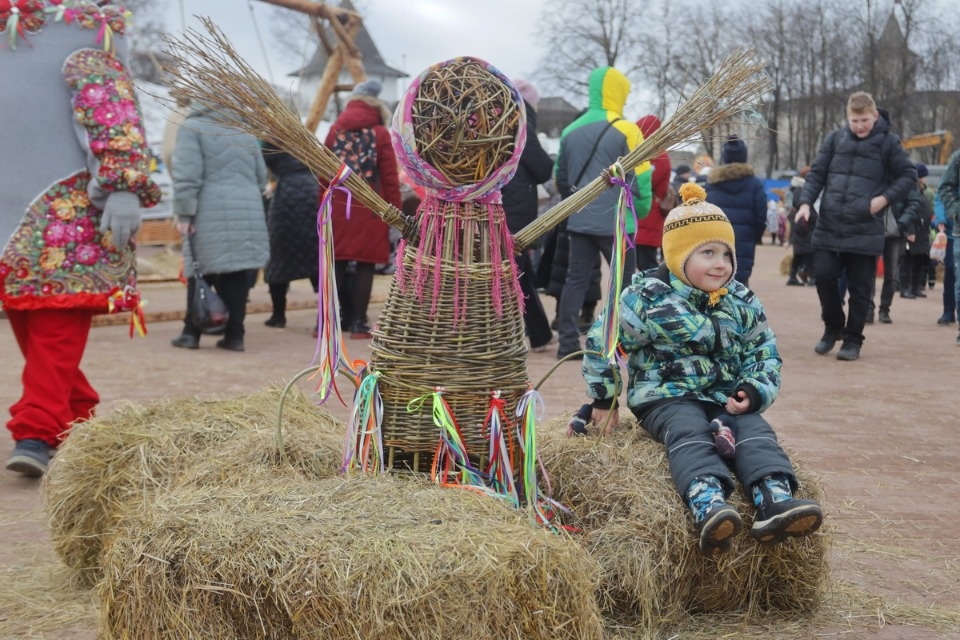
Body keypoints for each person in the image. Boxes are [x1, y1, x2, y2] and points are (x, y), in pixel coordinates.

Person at [573, 182, 823, 555]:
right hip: (666, 397)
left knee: (755, 430)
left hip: (723, 397)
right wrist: (603, 397)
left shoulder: (741, 299)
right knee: (689, 431)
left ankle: (774, 498)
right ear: (677, 257)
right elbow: (602, 342)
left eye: (725, 253)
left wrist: (754, 389)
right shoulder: (646, 299)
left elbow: (763, 351)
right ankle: (708, 501)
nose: (720, 263)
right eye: (706, 252)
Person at [1, 2, 161, 476]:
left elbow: (113, 114)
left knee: (54, 321)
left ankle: (37, 429)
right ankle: (76, 412)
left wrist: (123, 187)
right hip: (14, 215)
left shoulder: (82, 38)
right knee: (30, 316)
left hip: (66, 208)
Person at [795, 91, 916, 361]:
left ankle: (853, 340)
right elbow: (817, 174)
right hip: (829, 224)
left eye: (864, 120)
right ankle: (833, 327)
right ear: (847, 118)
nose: (859, 126)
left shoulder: (888, 143)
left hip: (865, 228)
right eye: (854, 120)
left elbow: (908, 176)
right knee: (824, 278)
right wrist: (805, 203)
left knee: (861, 290)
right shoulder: (834, 139)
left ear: (874, 116)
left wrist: (883, 199)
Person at [554, 66, 652, 359]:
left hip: (579, 221)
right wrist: (641, 211)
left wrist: (576, 204)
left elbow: (559, 176)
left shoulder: (570, 130)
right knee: (622, 283)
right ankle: (618, 341)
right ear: (619, 91)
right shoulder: (628, 129)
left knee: (575, 280)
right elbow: (642, 177)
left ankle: (567, 343)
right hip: (618, 222)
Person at [170, 101, 270, 352]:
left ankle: (191, 332)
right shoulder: (244, 131)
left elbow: (187, 175)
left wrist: (184, 213)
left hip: (207, 209)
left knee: (199, 269)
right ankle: (235, 335)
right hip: (247, 209)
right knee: (236, 272)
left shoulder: (192, 127)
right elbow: (261, 177)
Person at [324, 79, 402, 339]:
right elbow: (390, 177)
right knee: (365, 266)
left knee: (337, 261)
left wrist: (321, 206)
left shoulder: (335, 130)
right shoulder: (380, 133)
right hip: (369, 207)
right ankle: (358, 322)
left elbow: (322, 171)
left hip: (337, 204)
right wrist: (395, 213)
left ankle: (332, 321)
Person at [501, 79, 555, 352]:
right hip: (516, 211)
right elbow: (543, 168)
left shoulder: (497, 120)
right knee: (517, 272)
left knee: (521, 272)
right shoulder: (521, 123)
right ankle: (527, 335)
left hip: (503, 206)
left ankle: (540, 333)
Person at [261, 141, 320, 329]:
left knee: (278, 259)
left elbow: (261, 160)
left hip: (286, 199)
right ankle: (327, 314)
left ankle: (278, 316)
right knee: (316, 259)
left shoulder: (273, 142)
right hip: (312, 193)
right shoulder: (305, 139)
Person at [704, 135, 767, 287]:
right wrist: (754, 236)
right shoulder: (754, 184)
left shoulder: (712, 184)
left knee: (714, 282)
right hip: (744, 240)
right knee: (740, 285)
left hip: (716, 239)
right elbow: (761, 215)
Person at [634, 115, 672, 271]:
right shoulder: (648, 155)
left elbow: (645, 181)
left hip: (650, 214)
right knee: (641, 262)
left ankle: (654, 293)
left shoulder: (659, 156)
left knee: (647, 264)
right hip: (644, 214)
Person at [899, 164, 933, 303]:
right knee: (907, 261)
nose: (925, 179)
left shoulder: (921, 191)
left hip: (923, 232)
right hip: (913, 231)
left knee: (919, 261)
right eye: (923, 176)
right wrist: (910, 230)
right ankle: (904, 288)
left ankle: (915, 287)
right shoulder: (909, 190)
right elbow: (909, 212)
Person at [938, 149, 960, 345]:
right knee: (956, 277)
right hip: (957, 230)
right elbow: (943, 190)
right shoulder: (957, 158)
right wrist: (954, 212)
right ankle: (950, 313)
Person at [785, 167, 817, 286]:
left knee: (801, 254)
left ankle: (796, 276)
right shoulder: (801, 190)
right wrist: (814, 217)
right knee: (809, 254)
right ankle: (807, 275)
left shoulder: (799, 189)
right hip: (803, 227)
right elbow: (801, 205)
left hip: (801, 227)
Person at [933, 191, 956, 325]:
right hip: (952, 234)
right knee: (951, 270)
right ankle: (948, 311)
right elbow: (940, 196)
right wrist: (941, 219)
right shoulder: (953, 172)